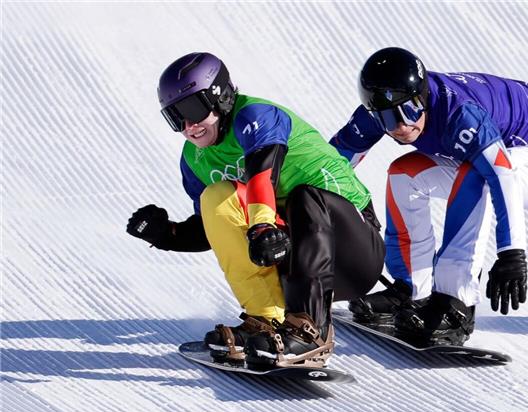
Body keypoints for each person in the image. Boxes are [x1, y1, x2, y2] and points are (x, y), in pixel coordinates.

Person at [126, 52, 385, 369]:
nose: (189, 125)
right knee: (215, 198)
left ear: (220, 97)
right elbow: (215, 229)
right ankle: (268, 321)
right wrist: (169, 234)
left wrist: (263, 225)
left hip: (353, 249)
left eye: (193, 109)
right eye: (175, 117)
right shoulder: (194, 159)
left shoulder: (255, 116)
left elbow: (263, 176)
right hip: (294, 255)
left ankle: (310, 331)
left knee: (304, 197)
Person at [329, 47, 528, 346]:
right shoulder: (387, 103)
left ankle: (455, 301)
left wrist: (512, 253)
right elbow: (329, 167)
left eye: (408, 111)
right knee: (404, 173)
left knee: (477, 174)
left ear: (422, 96)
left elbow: (501, 175)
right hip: (505, 151)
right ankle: (413, 288)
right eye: (385, 118)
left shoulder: (459, 113)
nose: (400, 126)